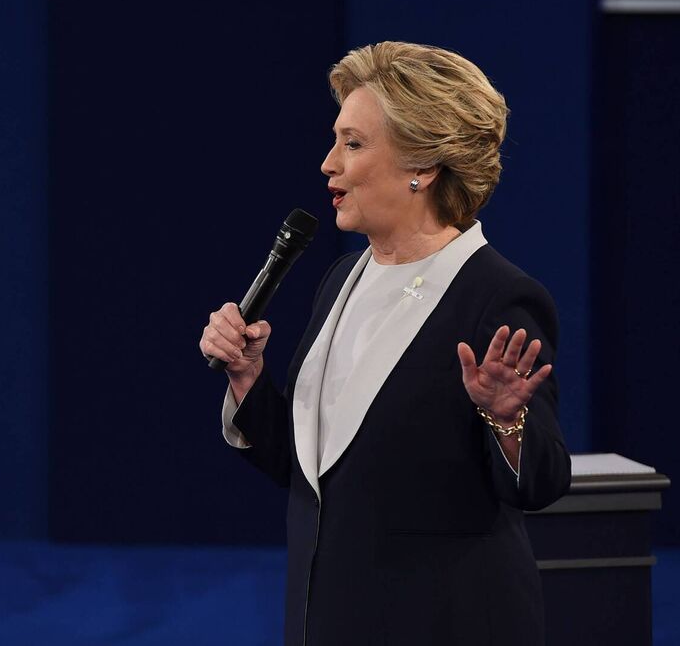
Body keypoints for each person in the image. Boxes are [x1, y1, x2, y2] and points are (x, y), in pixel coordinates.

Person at [199, 41, 571, 646]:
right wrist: (247, 379)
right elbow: (315, 472)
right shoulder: (340, 279)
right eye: (336, 140)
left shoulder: (499, 297)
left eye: (353, 144)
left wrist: (507, 421)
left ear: (423, 163)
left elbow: (540, 485)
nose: (328, 164)